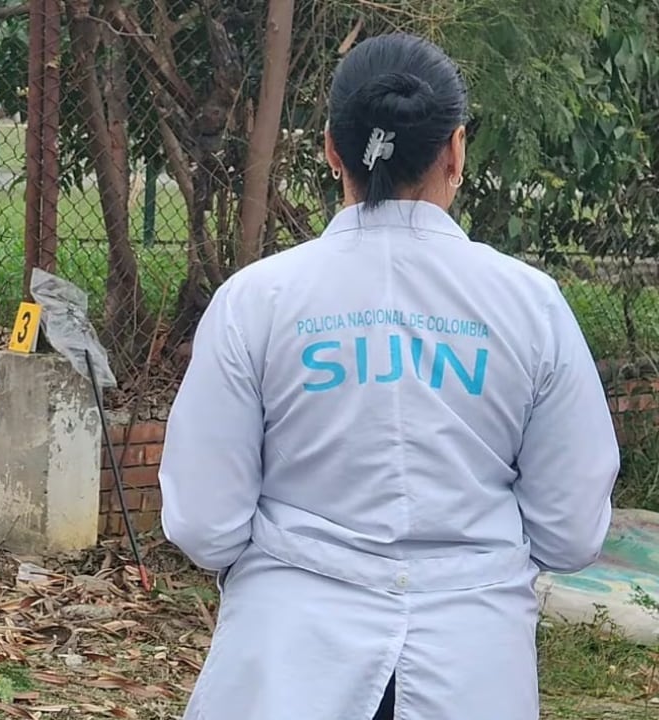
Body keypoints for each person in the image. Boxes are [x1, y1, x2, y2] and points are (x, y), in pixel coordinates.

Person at [158, 32, 620, 720]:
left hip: (290, 664)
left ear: (331, 148)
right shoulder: (530, 304)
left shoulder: (257, 301)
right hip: (471, 667)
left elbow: (204, 524)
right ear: (456, 149)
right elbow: (571, 532)